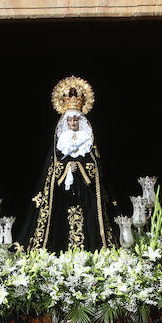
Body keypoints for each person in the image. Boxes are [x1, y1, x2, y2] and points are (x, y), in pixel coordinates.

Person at [17, 76, 116, 252]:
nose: (73, 123)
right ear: (65, 121)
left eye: (76, 120)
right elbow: (50, 171)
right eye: (70, 120)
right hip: (62, 193)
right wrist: (65, 170)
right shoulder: (60, 142)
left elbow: (97, 169)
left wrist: (83, 170)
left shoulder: (88, 141)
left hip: (86, 193)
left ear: (81, 120)